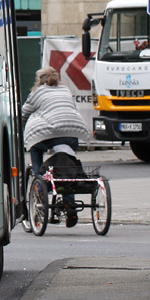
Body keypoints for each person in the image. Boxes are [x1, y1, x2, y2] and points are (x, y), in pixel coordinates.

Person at [21, 66, 90, 227]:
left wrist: (20, 128)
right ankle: (69, 206)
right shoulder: (65, 91)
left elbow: (24, 113)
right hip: (72, 131)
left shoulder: (37, 93)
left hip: (46, 134)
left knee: (36, 150)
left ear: (40, 80)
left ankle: (40, 185)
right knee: (65, 168)